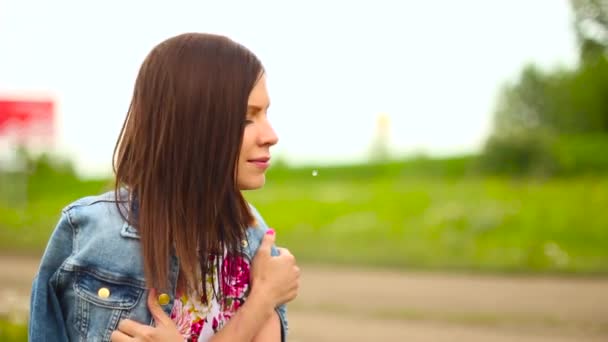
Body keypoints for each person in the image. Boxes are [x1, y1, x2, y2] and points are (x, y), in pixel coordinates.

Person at [29, 32, 300, 342]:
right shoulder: (92, 234)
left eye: (266, 113)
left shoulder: (253, 240)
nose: (271, 135)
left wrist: (264, 299)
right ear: (194, 125)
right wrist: (261, 301)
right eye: (245, 118)